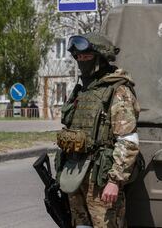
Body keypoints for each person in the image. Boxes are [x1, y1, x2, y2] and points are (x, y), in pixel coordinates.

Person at [56, 33, 140, 228]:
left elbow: (128, 140)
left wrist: (114, 181)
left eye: (86, 56)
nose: (80, 61)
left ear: (100, 57)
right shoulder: (83, 90)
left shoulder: (117, 90)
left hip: (101, 179)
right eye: (78, 57)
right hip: (75, 174)